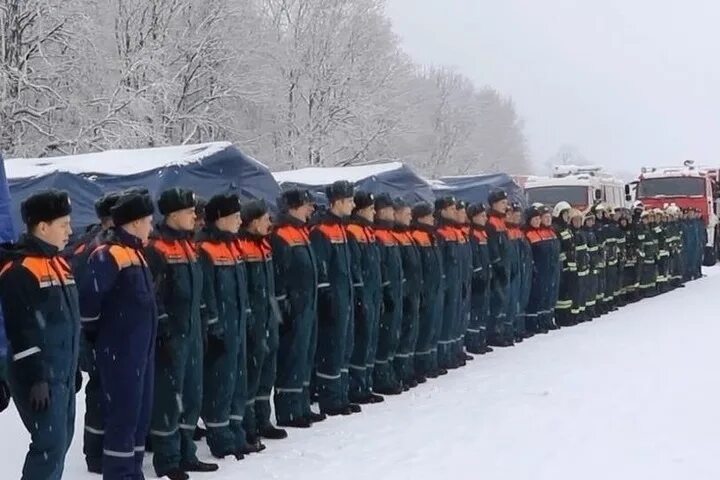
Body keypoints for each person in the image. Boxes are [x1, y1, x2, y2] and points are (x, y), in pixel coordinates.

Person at [0, 190, 79, 480]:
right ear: (42, 227)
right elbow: (22, 328)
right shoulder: (19, 270)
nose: (70, 231)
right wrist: (36, 378)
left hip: (62, 373)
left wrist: (75, 364)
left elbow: (69, 321)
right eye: (63, 224)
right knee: (49, 445)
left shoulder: (59, 264)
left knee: (61, 442)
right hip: (40, 377)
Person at [80, 190, 157, 479]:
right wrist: (104, 337)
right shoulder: (108, 254)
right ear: (135, 223)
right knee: (123, 419)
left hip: (141, 351)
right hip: (121, 351)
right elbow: (89, 303)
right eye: (148, 221)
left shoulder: (136, 253)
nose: (151, 226)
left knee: (139, 418)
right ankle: (119, 474)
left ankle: (133, 472)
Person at [146, 188, 217, 479]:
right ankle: (167, 458)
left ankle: (187, 452)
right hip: (172, 336)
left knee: (191, 395)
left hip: (193, 334)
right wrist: (163, 330)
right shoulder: (157, 249)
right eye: (189, 212)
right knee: (169, 399)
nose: (195, 216)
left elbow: (198, 292)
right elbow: (153, 296)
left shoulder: (189, 246)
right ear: (173, 215)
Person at [196, 193, 260, 460]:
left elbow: (240, 288)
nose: (238, 221)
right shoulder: (205, 249)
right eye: (234, 217)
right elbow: (207, 292)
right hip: (221, 327)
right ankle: (220, 437)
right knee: (220, 383)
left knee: (238, 380)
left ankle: (237, 431)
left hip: (238, 324)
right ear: (220, 219)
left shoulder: (232, 246)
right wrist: (214, 325)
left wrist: (246, 315)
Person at [70, 191, 120, 474]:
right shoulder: (92, 249)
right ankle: (95, 453)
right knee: (100, 393)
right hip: (96, 334)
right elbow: (86, 297)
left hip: (110, 332)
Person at [271, 189, 327, 426]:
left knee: (305, 356)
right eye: (307, 205)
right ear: (293, 207)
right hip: (294, 307)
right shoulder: (282, 235)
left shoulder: (301, 233)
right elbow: (280, 275)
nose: (311, 209)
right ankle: (289, 410)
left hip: (307, 305)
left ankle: (302, 404)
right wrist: (284, 308)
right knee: (292, 357)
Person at [238, 200, 287, 442]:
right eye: (266, 219)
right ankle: (248, 423)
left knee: (267, 369)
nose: (270, 223)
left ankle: (263, 418)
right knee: (252, 371)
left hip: (268, 315)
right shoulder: (241, 246)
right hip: (253, 317)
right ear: (254, 221)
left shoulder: (264, 245)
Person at [310, 181, 358, 415]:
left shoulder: (341, 228)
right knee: (333, 348)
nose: (353, 205)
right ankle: (330, 397)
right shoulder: (323, 230)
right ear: (337, 202)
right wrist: (326, 294)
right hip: (334, 298)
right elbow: (322, 267)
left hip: (345, 296)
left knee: (345, 346)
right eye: (349, 201)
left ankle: (342, 394)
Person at [345, 191, 384, 404]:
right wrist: (360, 295)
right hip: (364, 294)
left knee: (370, 339)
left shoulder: (367, 231)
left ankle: (365, 383)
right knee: (361, 341)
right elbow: (356, 267)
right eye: (370, 209)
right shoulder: (353, 231)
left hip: (373, 292)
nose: (374, 212)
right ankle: (357, 386)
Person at [372, 194, 405, 395]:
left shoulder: (388, 234)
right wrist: (386, 291)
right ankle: (381, 378)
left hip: (396, 291)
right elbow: (381, 268)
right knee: (384, 338)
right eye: (391, 210)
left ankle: (390, 373)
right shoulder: (377, 234)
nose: (393, 213)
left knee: (393, 336)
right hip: (385, 294)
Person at [410, 202, 446, 376]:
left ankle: (431, 361)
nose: (433, 218)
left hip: (435, 286)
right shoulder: (417, 236)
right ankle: (422, 364)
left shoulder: (430, 235)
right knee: (425, 328)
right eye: (429, 215)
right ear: (421, 217)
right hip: (426, 288)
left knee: (434, 325)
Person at [392, 198, 423, 385]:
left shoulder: (406, 235)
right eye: (407, 213)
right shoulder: (393, 236)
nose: (410, 216)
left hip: (413, 290)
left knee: (412, 331)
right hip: (402, 292)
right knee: (401, 334)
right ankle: (400, 370)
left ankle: (407, 368)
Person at [485, 189, 513, 346]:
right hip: (497, 269)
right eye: (502, 203)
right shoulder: (491, 223)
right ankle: (493, 332)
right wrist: (498, 265)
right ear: (494, 204)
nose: (505, 205)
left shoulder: (501, 221)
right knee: (497, 301)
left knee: (504, 301)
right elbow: (493, 247)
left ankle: (500, 330)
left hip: (505, 266)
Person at [464, 203, 492, 354]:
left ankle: (481, 338)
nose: (485, 218)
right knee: (476, 309)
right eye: (482, 216)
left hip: (485, 276)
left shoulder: (482, 233)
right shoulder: (472, 234)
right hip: (478, 278)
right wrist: (477, 273)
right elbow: (474, 258)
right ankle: (473, 341)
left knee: (482, 309)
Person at [524, 205, 557, 335]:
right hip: (538, 270)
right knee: (536, 297)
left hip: (550, 268)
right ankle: (533, 323)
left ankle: (546, 319)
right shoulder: (529, 234)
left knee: (548, 295)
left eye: (539, 219)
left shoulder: (548, 232)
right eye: (535, 219)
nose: (538, 221)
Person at [552, 201, 575, 327]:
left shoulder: (566, 228)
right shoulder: (556, 228)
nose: (567, 216)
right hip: (563, 265)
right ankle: (561, 316)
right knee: (562, 292)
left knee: (568, 290)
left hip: (569, 264)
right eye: (565, 214)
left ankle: (567, 313)